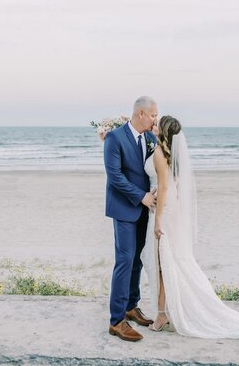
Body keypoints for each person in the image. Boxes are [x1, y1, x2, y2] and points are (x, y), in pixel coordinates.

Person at [141, 115, 239, 346]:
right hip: (171, 206)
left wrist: (159, 218)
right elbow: (171, 185)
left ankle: (162, 315)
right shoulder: (169, 152)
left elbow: (162, 187)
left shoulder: (162, 154)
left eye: (157, 123)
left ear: (163, 131)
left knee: (164, 264)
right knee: (169, 262)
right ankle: (166, 310)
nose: (154, 123)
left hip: (164, 209)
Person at [103, 96, 159, 342]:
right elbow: (114, 176)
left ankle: (130, 306)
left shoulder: (149, 138)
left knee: (137, 259)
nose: (155, 119)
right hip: (125, 209)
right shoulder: (114, 138)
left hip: (144, 209)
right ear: (141, 114)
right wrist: (142, 197)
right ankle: (116, 320)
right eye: (153, 115)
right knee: (124, 261)